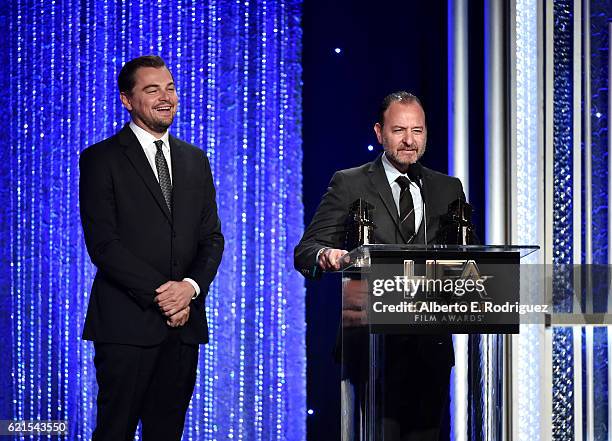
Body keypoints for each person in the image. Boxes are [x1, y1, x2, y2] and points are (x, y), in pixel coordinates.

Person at [294, 91, 465, 440]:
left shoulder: (448, 188)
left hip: (429, 349)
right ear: (378, 132)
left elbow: (469, 259)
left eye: (417, 131)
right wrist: (329, 256)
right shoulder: (350, 182)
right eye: (399, 130)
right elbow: (305, 251)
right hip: (371, 346)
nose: (409, 141)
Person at [79, 55, 224, 441]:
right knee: (116, 431)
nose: (166, 97)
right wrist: (166, 297)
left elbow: (212, 238)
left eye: (171, 87)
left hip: (184, 328)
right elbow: (104, 245)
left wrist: (189, 289)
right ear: (127, 100)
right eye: (152, 89)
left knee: (167, 432)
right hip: (126, 325)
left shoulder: (195, 160)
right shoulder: (100, 159)